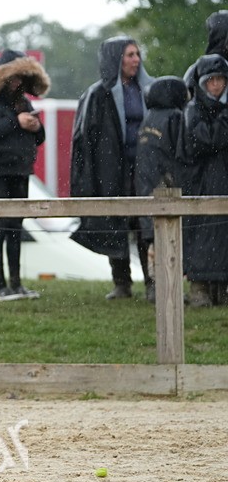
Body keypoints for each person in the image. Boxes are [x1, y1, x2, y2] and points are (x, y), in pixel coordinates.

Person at [70, 36, 155, 299]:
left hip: (143, 170)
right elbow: (84, 142)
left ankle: (153, 282)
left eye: (137, 54)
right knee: (114, 222)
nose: (135, 60)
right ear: (115, 59)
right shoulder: (97, 95)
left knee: (146, 225)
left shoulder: (149, 90)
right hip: (110, 171)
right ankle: (122, 282)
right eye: (129, 55)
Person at [0, 50, 50, 301]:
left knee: (16, 227)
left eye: (21, 79)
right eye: (14, 78)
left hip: (21, 171)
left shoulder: (23, 101)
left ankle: (16, 285)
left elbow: (39, 138)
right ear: (3, 76)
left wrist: (36, 126)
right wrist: (17, 122)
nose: (17, 83)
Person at [133, 76, 190, 303]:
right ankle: (168, 288)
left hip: (146, 186)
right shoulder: (174, 117)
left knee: (153, 238)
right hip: (166, 185)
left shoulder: (148, 119)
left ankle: (154, 286)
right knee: (171, 238)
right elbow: (181, 153)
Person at [181, 55, 228, 307]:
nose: (216, 85)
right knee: (200, 235)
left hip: (220, 180)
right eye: (211, 80)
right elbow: (202, 141)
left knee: (220, 234)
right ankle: (199, 288)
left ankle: (220, 289)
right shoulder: (193, 109)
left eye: (220, 79)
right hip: (200, 182)